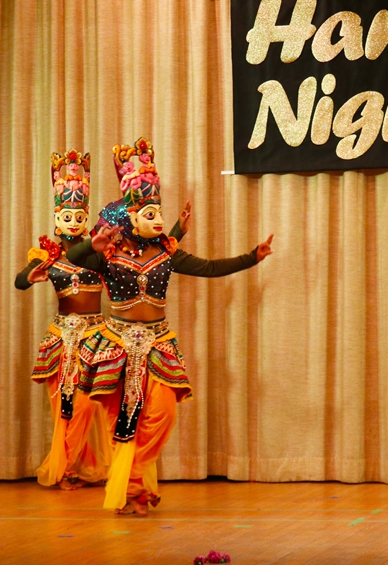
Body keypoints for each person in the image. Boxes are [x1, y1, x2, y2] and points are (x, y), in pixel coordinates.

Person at [68, 137, 275, 515]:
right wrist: (89, 246)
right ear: (131, 219)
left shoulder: (167, 253)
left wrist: (252, 257)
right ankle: (132, 491)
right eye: (149, 212)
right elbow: (73, 259)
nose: (158, 219)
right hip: (116, 345)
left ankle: (133, 478)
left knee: (164, 414)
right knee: (120, 420)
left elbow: (209, 268)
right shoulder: (108, 255)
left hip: (158, 342)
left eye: (158, 211)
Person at [15, 149, 183, 490]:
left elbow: (159, 251)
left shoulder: (102, 249)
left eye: (80, 215)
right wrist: (30, 277)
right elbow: (20, 281)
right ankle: (67, 469)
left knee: (93, 407)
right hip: (62, 338)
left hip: (97, 338)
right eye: (67, 215)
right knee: (65, 407)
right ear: (57, 216)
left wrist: (179, 228)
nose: (74, 222)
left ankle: (119, 471)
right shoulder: (47, 254)